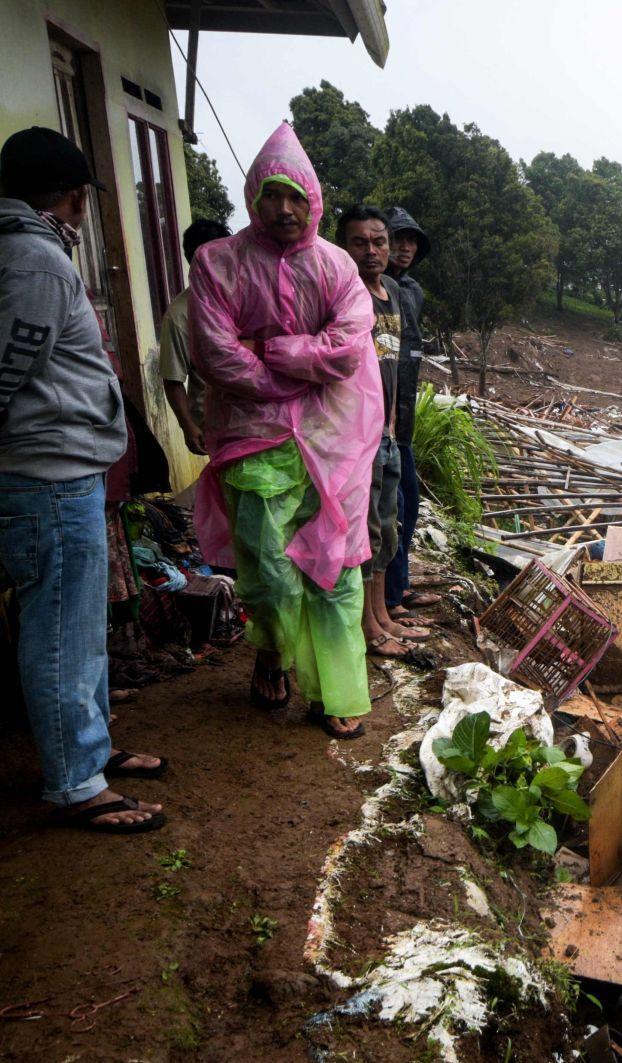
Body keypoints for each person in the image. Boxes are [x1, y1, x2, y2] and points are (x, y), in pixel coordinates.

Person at [189, 122, 380, 739]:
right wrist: (301, 371)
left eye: (297, 196)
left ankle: (337, 691)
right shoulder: (218, 263)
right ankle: (272, 655)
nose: (284, 209)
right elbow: (216, 355)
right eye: (272, 194)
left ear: (314, 200)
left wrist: (268, 349)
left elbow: (347, 351)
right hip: (254, 440)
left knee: (335, 567)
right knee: (268, 571)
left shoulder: (337, 266)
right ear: (253, 196)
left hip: (335, 441)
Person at [0, 126, 166, 832]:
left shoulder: (27, 251)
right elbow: (12, 363)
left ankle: (89, 746)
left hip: (62, 469)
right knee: (61, 627)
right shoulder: (36, 260)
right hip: (47, 472)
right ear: (72, 196)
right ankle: (75, 780)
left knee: (77, 619)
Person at [333, 203, 425, 657]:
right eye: (359, 242)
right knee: (366, 530)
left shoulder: (391, 289)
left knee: (388, 525)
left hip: (390, 431)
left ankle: (384, 615)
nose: (371, 251)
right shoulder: (345, 294)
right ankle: (369, 626)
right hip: (359, 434)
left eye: (379, 241)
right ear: (343, 247)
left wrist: (396, 424)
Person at [380, 206, 437, 622]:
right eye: (397, 239)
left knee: (410, 505)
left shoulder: (412, 291)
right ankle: (388, 601)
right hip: (381, 417)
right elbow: (382, 360)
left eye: (411, 240)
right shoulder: (373, 291)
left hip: (403, 419)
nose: (405, 247)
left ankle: (399, 587)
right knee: (391, 509)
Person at [156, 218, 233, 456]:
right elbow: (173, 379)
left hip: (258, 418)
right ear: (194, 261)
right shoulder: (180, 315)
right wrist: (188, 426)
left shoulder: (246, 299)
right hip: (215, 426)